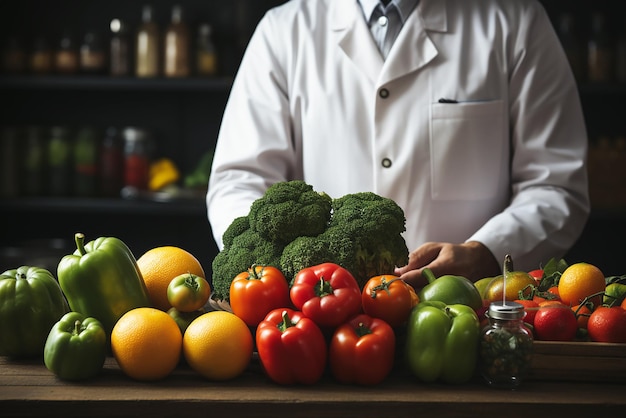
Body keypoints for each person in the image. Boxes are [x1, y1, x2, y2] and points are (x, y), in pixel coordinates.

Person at [206, 0, 590, 289]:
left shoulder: (516, 21)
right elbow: (239, 181)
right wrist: (277, 268)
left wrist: (487, 252)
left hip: (469, 312)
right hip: (320, 315)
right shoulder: (284, 31)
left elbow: (556, 185)